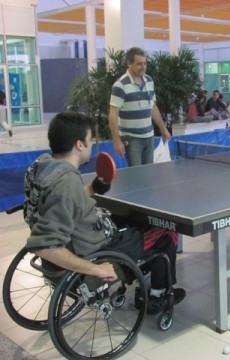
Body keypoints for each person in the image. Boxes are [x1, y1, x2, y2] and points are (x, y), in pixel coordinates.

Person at [24, 111, 185, 314]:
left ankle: (143, 275)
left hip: (83, 231)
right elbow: (45, 246)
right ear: (79, 145)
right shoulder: (64, 182)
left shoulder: (42, 167)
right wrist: (97, 270)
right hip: (95, 246)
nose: (91, 144)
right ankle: (157, 296)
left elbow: (62, 203)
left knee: (131, 219)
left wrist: (92, 189)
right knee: (164, 229)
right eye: (90, 139)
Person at [109, 47, 170, 167]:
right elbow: (113, 115)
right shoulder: (120, 85)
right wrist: (116, 141)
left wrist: (163, 129)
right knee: (136, 175)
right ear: (129, 64)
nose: (143, 67)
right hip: (131, 139)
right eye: (139, 64)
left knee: (148, 173)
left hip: (149, 136)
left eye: (145, 63)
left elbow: (153, 107)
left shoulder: (149, 80)